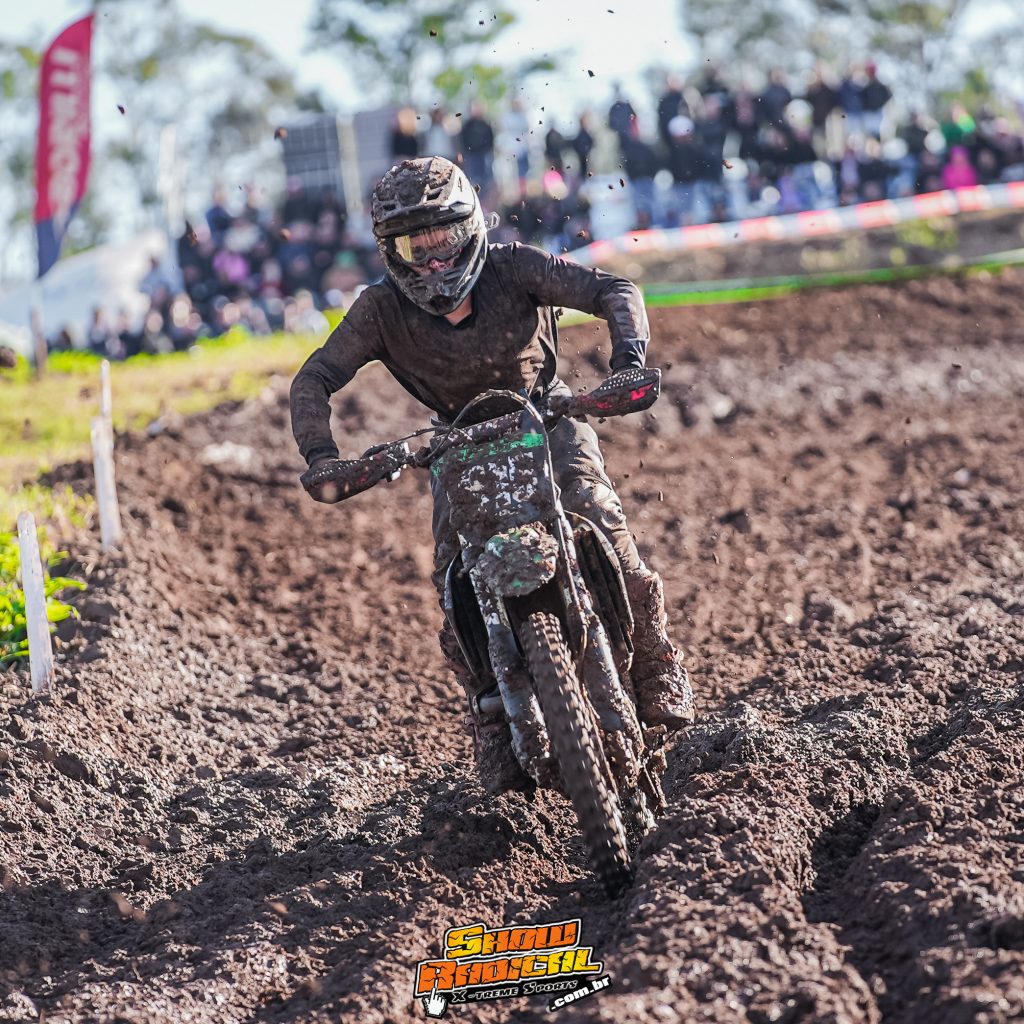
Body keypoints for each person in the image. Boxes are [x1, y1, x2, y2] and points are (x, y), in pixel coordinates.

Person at [290, 156, 695, 794]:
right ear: (388, 253)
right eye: (411, 249)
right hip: (457, 442)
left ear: (470, 228)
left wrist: (627, 363)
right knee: (453, 580)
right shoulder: (379, 310)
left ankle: (653, 661)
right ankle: (488, 708)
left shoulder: (515, 266)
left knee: (605, 524)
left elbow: (615, 290)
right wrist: (321, 455)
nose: (432, 265)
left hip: (549, 415)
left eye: (443, 241)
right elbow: (314, 377)